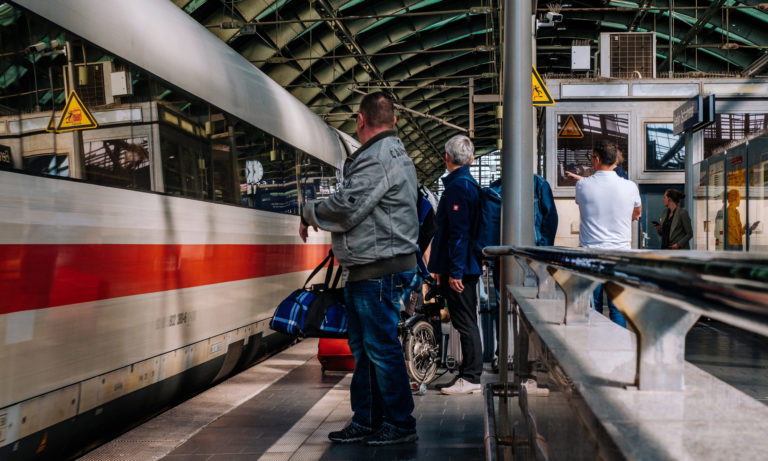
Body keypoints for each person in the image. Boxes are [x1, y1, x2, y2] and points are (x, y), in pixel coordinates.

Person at [299, 92, 419, 445]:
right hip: (375, 268)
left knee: (380, 348)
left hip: (377, 270)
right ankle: (368, 419)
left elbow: (347, 207)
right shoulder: (394, 153)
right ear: (394, 120)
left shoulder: (377, 158)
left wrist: (309, 211)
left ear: (360, 120)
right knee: (367, 349)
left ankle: (399, 423)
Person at [427, 134, 484, 395]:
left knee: (465, 321)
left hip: (461, 269)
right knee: (465, 320)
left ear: (447, 158)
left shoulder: (458, 187)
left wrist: (455, 271)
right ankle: (468, 374)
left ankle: (471, 377)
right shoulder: (467, 184)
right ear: (472, 159)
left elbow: (459, 233)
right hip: (462, 266)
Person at [486, 174, 558, 371]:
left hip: (525, 258)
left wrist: (542, 250)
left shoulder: (537, 185)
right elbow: (549, 219)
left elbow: (550, 220)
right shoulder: (498, 187)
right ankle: (507, 354)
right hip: (512, 257)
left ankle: (526, 357)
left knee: (526, 307)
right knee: (506, 307)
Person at [575, 140, 641, 327]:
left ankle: (593, 349)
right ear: (615, 161)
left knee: (592, 307)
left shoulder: (582, 186)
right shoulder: (630, 186)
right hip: (620, 256)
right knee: (618, 307)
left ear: (596, 159)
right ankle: (619, 350)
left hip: (590, 257)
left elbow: (584, 204)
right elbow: (637, 213)